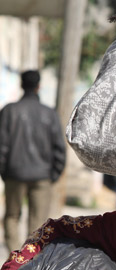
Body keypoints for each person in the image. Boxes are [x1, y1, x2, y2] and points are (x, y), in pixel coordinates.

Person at [0, 70, 66, 252]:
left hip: (14, 173)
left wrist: (5, 172)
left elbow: (2, 146)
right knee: (38, 223)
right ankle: (30, 260)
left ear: (21, 85)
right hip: (42, 176)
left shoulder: (8, 111)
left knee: (12, 216)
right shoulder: (49, 113)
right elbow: (59, 148)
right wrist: (53, 175)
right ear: (39, 86)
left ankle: (14, 259)